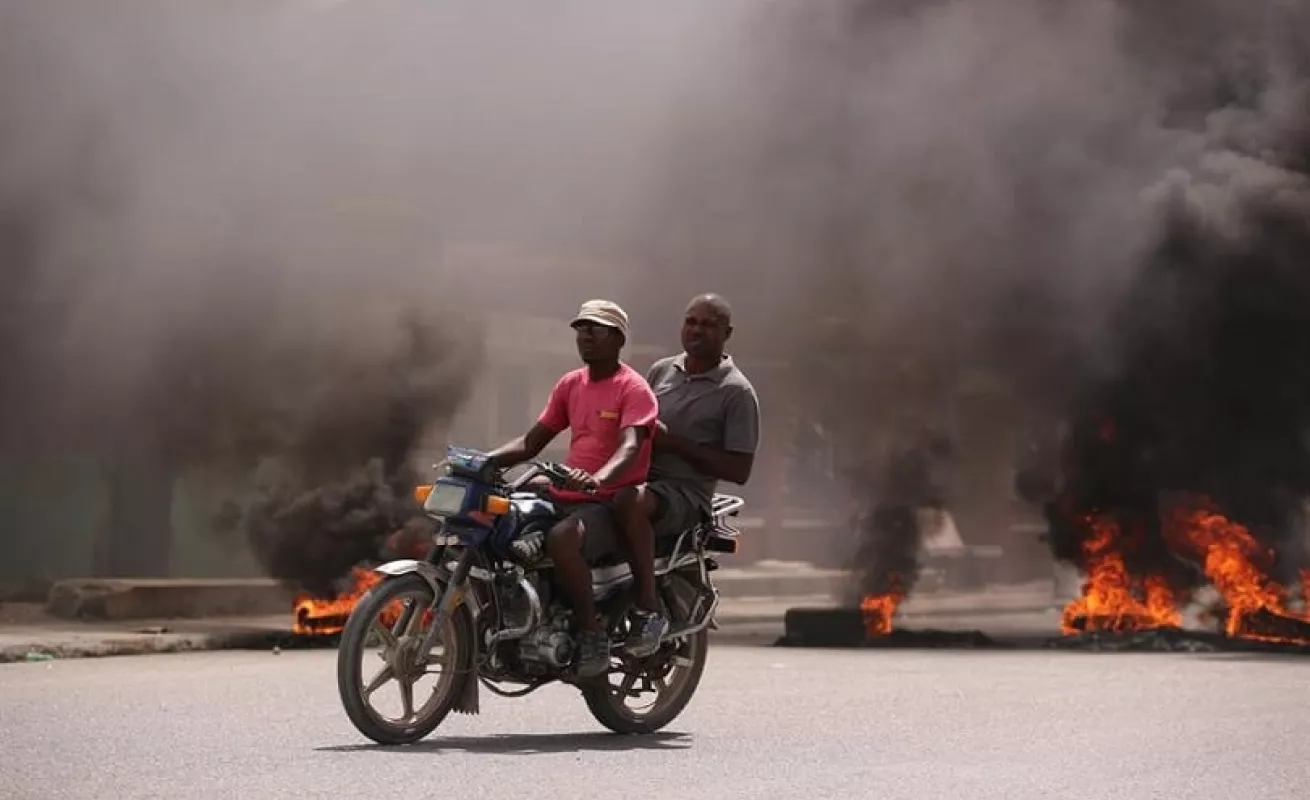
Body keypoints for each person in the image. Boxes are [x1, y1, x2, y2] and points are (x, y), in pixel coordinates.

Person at [485, 299, 658, 678]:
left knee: (563, 537)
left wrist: (598, 479)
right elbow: (531, 444)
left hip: (609, 501)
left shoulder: (633, 388)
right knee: (503, 520)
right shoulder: (570, 384)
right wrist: (482, 461)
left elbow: (630, 446)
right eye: (581, 329)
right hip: (568, 494)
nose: (585, 336)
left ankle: (591, 632)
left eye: (595, 329)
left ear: (617, 338)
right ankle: (515, 615)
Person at [613, 293, 761, 657]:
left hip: (685, 494)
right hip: (640, 479)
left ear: (727, 333)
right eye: (691, 321)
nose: (697, 330)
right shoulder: (662, 370)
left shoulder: (737, 392)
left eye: (708, 325)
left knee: (629, 502)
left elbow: (739, 470)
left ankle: (648, 608)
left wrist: (673, 443)